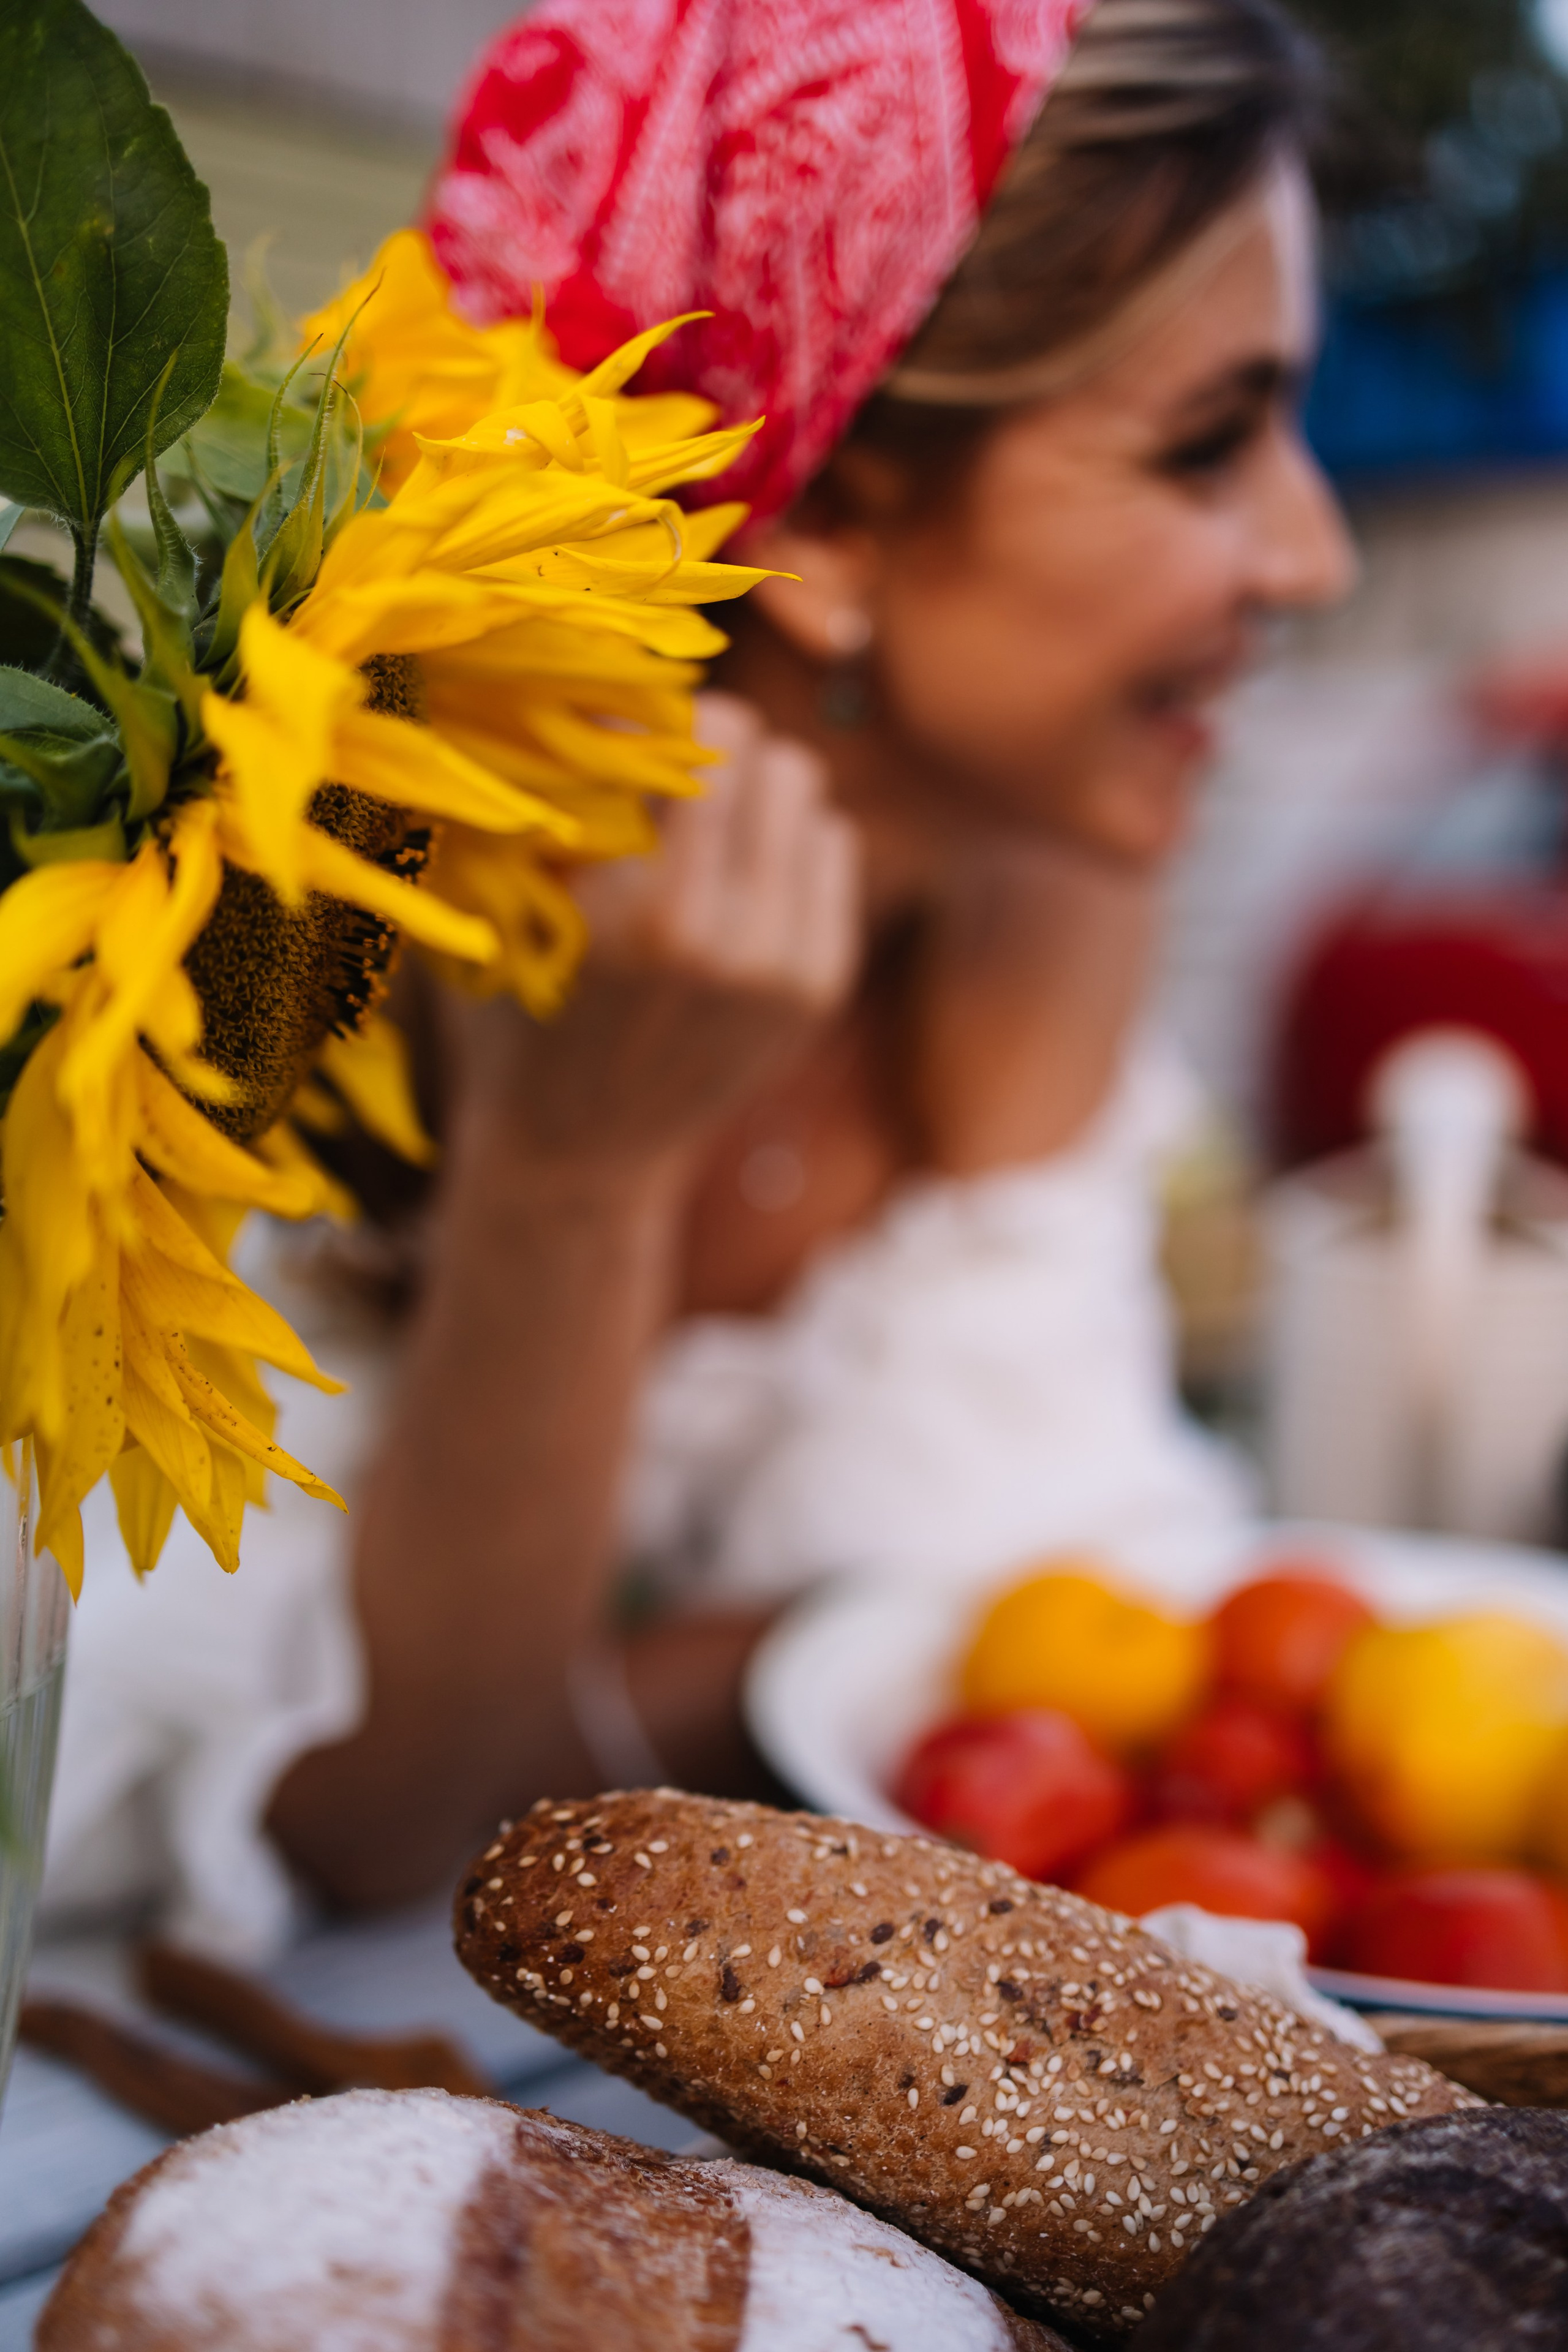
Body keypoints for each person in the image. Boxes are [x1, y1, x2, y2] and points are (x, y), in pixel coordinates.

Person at [43, 0, 1354, 1954]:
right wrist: (572, 1180)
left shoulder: (1034, 895)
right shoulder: (288, 906)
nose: (1313, 554)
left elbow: (1032, 1614)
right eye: (1206, 444)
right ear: (821, 514)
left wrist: (643, 1685)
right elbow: (372, 1820)